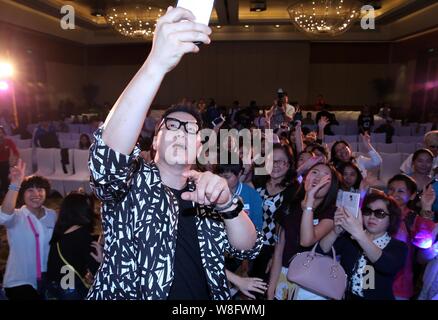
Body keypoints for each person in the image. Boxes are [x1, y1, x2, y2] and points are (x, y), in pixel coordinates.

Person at [86, 7, 261, 300]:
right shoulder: (131, 183)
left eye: (191, 129)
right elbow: (106, 161)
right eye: (172, 125)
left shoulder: (209, 190)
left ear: (200, 147)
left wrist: (227, 204)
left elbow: (247, 247)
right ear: (155, 141)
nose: (181, 131)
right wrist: (155, 63)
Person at [267, 163, 340, 300]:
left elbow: (306, 240)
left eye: (325, 176)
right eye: (315, 172)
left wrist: (309, 202)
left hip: (314, 283)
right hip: (286, 276)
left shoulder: (331, 212)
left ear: (332, 186)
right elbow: (278, 252)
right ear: (305, 178)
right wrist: (271, 290)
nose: (318, 178)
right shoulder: (289, 206)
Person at [319, 193, 408, 300]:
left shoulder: (399, 247)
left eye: (379, 213)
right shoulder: (351, 238)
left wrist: (359, 234)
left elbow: (386, 265)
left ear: (391, 219)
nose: (372, 217)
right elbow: (322, 251)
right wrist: (335, 231)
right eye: (367, 211)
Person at [0, 161, 57, 300]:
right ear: (22, 194)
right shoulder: (17, 216)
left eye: (40, 189)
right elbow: (3, 216)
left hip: (47, 280)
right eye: (30, 190)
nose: (36, 193)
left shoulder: (52, 215)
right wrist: (15, 184)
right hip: (19, 280)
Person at [250, 144, 298, 287]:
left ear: (289, 164)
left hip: (272, 250)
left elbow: (287, 227)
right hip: (248, 244)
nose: (275, 165)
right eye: (271, 160)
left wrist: (275, 256)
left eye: (281, 161)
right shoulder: (257, 182)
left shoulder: (293, 191)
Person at [387, 174, 437, 300]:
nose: (394, 194)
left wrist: (426, 207)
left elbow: (424, 244)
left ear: (412, 195)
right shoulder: (377, 212)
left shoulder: (412, 218)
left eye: (401, 191)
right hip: (371, 279)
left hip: (399, 284)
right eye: (391, 189)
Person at [46, 192, 102, 300]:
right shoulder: (82, 235)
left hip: (55, 287)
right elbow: (96, 271)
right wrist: (100, 261)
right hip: (71, 291)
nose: (92, 211)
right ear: (81, 211)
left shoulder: (59, 232)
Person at [217, 153, 263, 231]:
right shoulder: (213, 193)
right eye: (220, 176)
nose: (223, 180)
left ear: (239, 173)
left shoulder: (252, 195)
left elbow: (257, 227)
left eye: (227, 177)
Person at [0, 126, 19, 196]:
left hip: (5, 162)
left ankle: (7, 192)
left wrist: (14, 162)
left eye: (1, 132)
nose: (0, 134)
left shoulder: (8, 141)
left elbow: (16, 152)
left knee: (4, 177)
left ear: (4, 133)